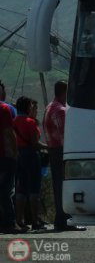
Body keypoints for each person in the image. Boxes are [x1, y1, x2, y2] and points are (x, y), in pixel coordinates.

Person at [43, 81, 85, 232]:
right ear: (64, 92)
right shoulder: (60, 110)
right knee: (65, 186)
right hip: (61, 151)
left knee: (58, 186)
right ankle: (65, 220)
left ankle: (61, 220)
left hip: (53, 150)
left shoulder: (50, 106)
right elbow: (66, 135)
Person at [13, 97, 47, 230]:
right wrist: (48, 147)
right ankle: (35, 220)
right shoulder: (30, 122)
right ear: (27, 107)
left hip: (18, 156)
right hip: (31, 156)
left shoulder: (14, 121)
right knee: (34, 189)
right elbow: (35, 143)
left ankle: (19, 220)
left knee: (21, 188)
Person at [0, 97, 25, 233]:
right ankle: (9, 222)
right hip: (5, 154)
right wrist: (15, 152)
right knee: (7, 189)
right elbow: (8, 132)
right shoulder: (3, 109)